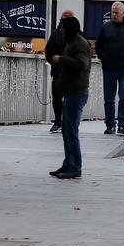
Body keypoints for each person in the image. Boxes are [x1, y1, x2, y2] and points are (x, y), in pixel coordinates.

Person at [50, 15, 90, 179]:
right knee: (67, 131)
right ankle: (68, 164)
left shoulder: (79, 43)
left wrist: (61, 59)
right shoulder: (71, 42)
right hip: (70, 91)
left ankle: (75, 167)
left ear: (69, 29)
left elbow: (81, 64)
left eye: (63, 28)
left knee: (71, 131)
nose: (60, 31)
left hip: (77, 91)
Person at [94, 1, 124, 135]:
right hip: (109, 68)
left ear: (123, 13)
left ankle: (122, 124)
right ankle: (110, 125)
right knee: (109, 98)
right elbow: (98, 45)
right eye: (112, 12)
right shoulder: (105, 27)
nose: (113, 14)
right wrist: (103, 57)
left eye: (116, 12)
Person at [43, 9, 76, 133]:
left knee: (70, 99)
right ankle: (58, 121)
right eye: (63, 19)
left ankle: (68, 121)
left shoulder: (78, 36)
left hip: (72, 74)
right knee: (57, 98)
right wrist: (54, 62)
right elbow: (48, 51)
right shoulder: (55, 35)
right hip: (58, 72)